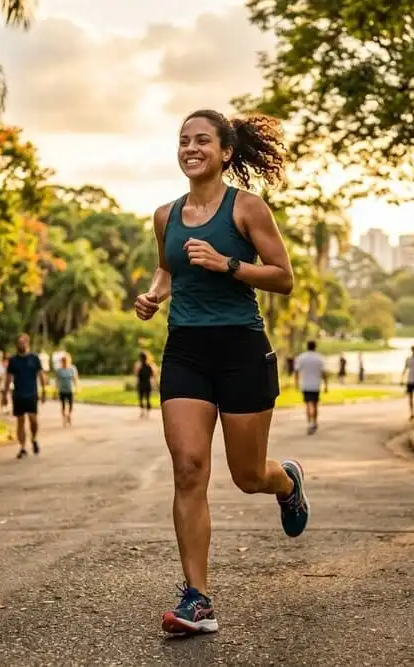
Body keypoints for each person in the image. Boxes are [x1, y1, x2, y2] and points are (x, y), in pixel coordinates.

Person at [133, 109, 308, 637]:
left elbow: (284, 278)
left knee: (247, 475)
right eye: (183, 140)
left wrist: (227, 264)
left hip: (241, 348)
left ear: (225, 152)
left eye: (202, 140)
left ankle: (287, 481)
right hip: (185, 350)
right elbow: (168, 267)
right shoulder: (164, 215)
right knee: (188, 468)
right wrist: (154, 295)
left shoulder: (247, 209)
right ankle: (197, 600)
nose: (190, 147)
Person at [2, 334, 46, 459]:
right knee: (20, 421)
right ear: (16, 345)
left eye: (23, 343)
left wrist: (43, 391)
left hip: (31, 393)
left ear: (27, 343)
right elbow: (8, 378)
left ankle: (34, 438)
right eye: (19, 343)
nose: (21, 345)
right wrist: (5, 395)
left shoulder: (34, 358)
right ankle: (22, 447)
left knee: (33, 419)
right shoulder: (13, 360)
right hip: (18, 394)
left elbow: (41, 375)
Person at [295, 340, 328, 434]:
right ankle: (314, 422)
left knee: (308, 404)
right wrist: (326, 385)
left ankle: (310, 423)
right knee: (315, 404)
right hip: (316, 385)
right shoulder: (319, 358)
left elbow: (296, 371)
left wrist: (296, 383)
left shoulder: (302, 357)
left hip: (306, 385)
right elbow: (323, 373)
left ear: (307, 346)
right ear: (315, 347)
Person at [55, 355, 79, 427]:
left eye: (66, 361)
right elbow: (57, 380)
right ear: (61, 362)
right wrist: (56, 390)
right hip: (62, 390)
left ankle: (69, 415)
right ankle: (64, 418)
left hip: (70, 389)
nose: (64, 362)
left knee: (71, 405)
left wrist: (76, 387)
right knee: (63, 406)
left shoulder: (72, 369)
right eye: (63, 361)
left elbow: (75, 378)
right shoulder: (59, 370)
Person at [134, 351, 157, 418]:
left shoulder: (139, 366)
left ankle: (143, 412)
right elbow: (153, 375)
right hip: (147, 384)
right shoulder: (149, 366)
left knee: (142, 399)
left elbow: (136, 375)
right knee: (147, 399)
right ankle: (146, 413)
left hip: (142, 384)